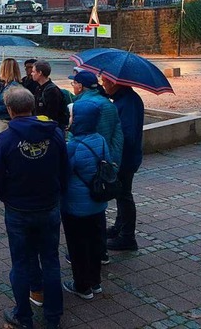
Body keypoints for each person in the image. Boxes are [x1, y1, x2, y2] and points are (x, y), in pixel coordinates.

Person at [0, 86, 68, 329]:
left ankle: (23, 316)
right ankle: (53, 318)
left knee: (21, 263)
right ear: (32, 107)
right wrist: (56, 194)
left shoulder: (5, 139)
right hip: (48, 207)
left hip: (19, 210)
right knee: (51, 261)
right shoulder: (54, 134)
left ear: (10, 110)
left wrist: (8, 198)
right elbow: (65, 169)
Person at [66, 70, 123, 265]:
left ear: (80, 86)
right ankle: (101, 253)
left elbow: (75, 137)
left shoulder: (82, 106)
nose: (72, 86)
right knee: (99, 214)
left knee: (83, 220)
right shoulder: (108, 104)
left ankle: (83, 261)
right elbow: (117, 134)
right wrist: (112, 164)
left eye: (73, 83)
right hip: (103, 162)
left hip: (84, 168)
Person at [61, 100, 110, 300]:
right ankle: (95, 281)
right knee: (95, 241)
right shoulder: (100, 140)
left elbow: (63, 174)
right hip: (97, 202)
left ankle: (82, 286)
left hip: (75, 206)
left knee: (78, 245)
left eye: (73, 116)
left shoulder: (73, 146)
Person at [102, 76, 144, 251]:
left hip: (125, 159)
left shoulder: (128, 103)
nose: (103, 84)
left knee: (124, 195)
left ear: (114, 83)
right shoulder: (123, 99)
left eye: (104, 81)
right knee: (121, 194)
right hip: (124, 157)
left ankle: (127, 237)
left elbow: (128, 136)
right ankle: (119, 227)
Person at [31, 60, 68, 130]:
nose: (31, 74)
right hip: (41, 126)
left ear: (40, 73)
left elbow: (52, 115)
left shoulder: (52, 91)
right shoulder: (38, 88)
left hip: (50, 129)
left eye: (33, 72)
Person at [0, 58, 22, 133]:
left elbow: (11, 106)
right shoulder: (5, 84)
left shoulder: (13, 86)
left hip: (7, 121)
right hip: (1, 120)